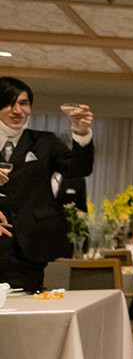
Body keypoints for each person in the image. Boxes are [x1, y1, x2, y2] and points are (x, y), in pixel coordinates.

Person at [0, 77, 94, 291]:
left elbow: (78, 169)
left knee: (29, 306)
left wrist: (81, 134)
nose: (17, 110)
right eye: (9, 103)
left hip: (30, 247)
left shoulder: (45, 142)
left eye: (24, 103)